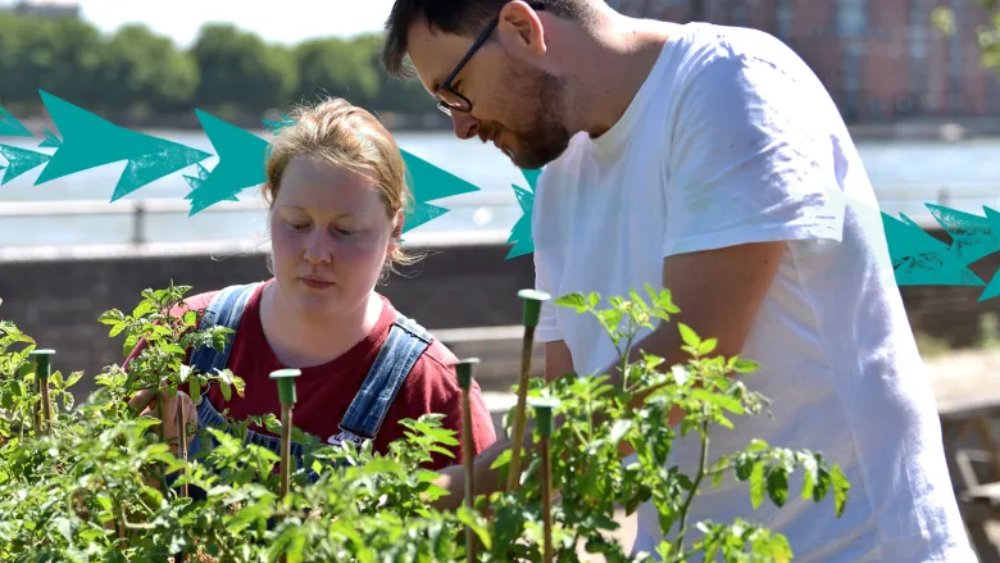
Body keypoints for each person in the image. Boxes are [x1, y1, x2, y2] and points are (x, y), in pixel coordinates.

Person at [381, 1, 976, 560]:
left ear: (521, 28)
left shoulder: (730, 84)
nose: (461, 128)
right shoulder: (561, 181)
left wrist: (456, 490)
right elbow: (567, 413)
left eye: (454, 92)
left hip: (855, 544)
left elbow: (693, 357)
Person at [126, 97, 497, 475]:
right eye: (297, 224)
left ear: (395, 229)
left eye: (346, 231)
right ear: (271, 208)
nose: (317, 253)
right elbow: (97, 511)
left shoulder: (434, 392)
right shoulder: (181, 338)